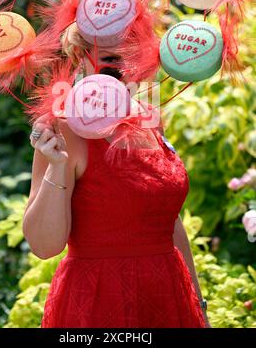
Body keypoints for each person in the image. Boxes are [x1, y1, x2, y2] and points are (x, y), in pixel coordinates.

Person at [23, 22, 211, 328]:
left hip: (168, 297)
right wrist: (57, 165)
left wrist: (199, 307)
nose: (119, 66)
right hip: (98, 301)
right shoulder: (65, 128)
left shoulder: (150, 118)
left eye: (128, 54)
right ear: (80, 57)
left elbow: (168, 222)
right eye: (107, 60)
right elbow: (44, 246)